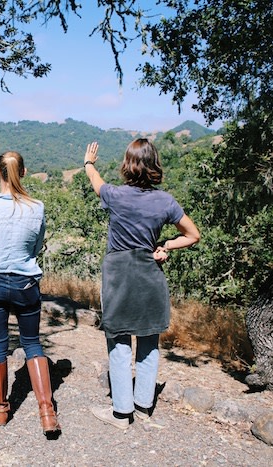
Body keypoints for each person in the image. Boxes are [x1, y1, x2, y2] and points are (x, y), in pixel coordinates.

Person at [83, 139, 201, 430]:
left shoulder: (115, 195)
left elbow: (95, 181)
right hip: (150, 275)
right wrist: (166, 246)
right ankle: (143, 407)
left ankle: (122, 413)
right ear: (154, 166)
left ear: (128, 165)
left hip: (119, 276)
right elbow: (193, 235)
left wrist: (88, 163)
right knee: (149, 342)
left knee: (119, 340)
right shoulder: (165, 201)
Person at [0, 151, 61, 435]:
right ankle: (47, 413)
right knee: (33, 344)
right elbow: (36, 248)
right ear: (23, 173)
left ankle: (1, 409)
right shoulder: (37, 208)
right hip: (26, 285)